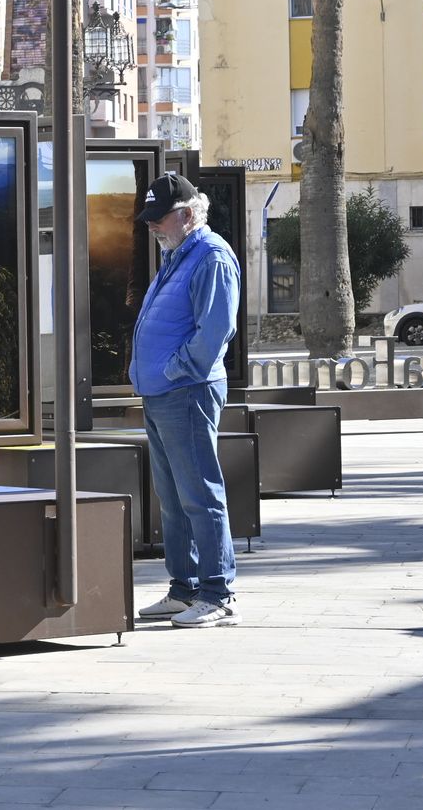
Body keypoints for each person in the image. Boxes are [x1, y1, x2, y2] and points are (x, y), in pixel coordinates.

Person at [128, 171, 242, 629]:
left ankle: (217, 593)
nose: (152, 227)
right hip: (163, 395)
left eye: (160, 219)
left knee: (199, 494)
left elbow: (215, 332)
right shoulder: (179, 254)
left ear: (188, 215)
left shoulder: (211, 256)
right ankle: (184, 589)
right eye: (150, 219)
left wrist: (173, 369)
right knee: (173, 499)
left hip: (187, 391)